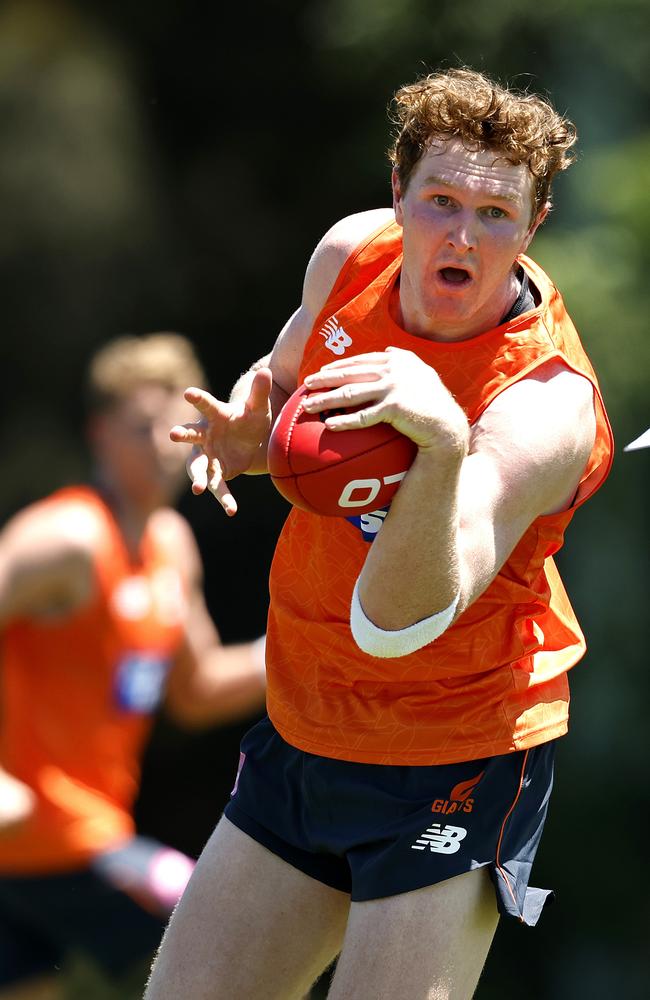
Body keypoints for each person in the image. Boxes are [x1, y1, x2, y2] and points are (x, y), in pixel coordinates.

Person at [145, 68, 614, 1000]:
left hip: (457, 752)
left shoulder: (545, 410)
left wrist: (440, 441)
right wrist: (252, 434)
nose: (462, 235)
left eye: (495, 214)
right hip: (307, 719)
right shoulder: (352, 255)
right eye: (440, 201)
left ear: (534, 224)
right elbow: (286, 385)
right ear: (397, 196)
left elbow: (401, 620)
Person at [0, 333, 267, 1000]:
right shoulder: (67, 540)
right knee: (227, 935)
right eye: (140, 426)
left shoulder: (170, 548)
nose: (161, 443)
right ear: (100, 435)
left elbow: (198, 690)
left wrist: (320, 649)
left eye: (178, 427)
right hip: (51, 836)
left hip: (62, 848)